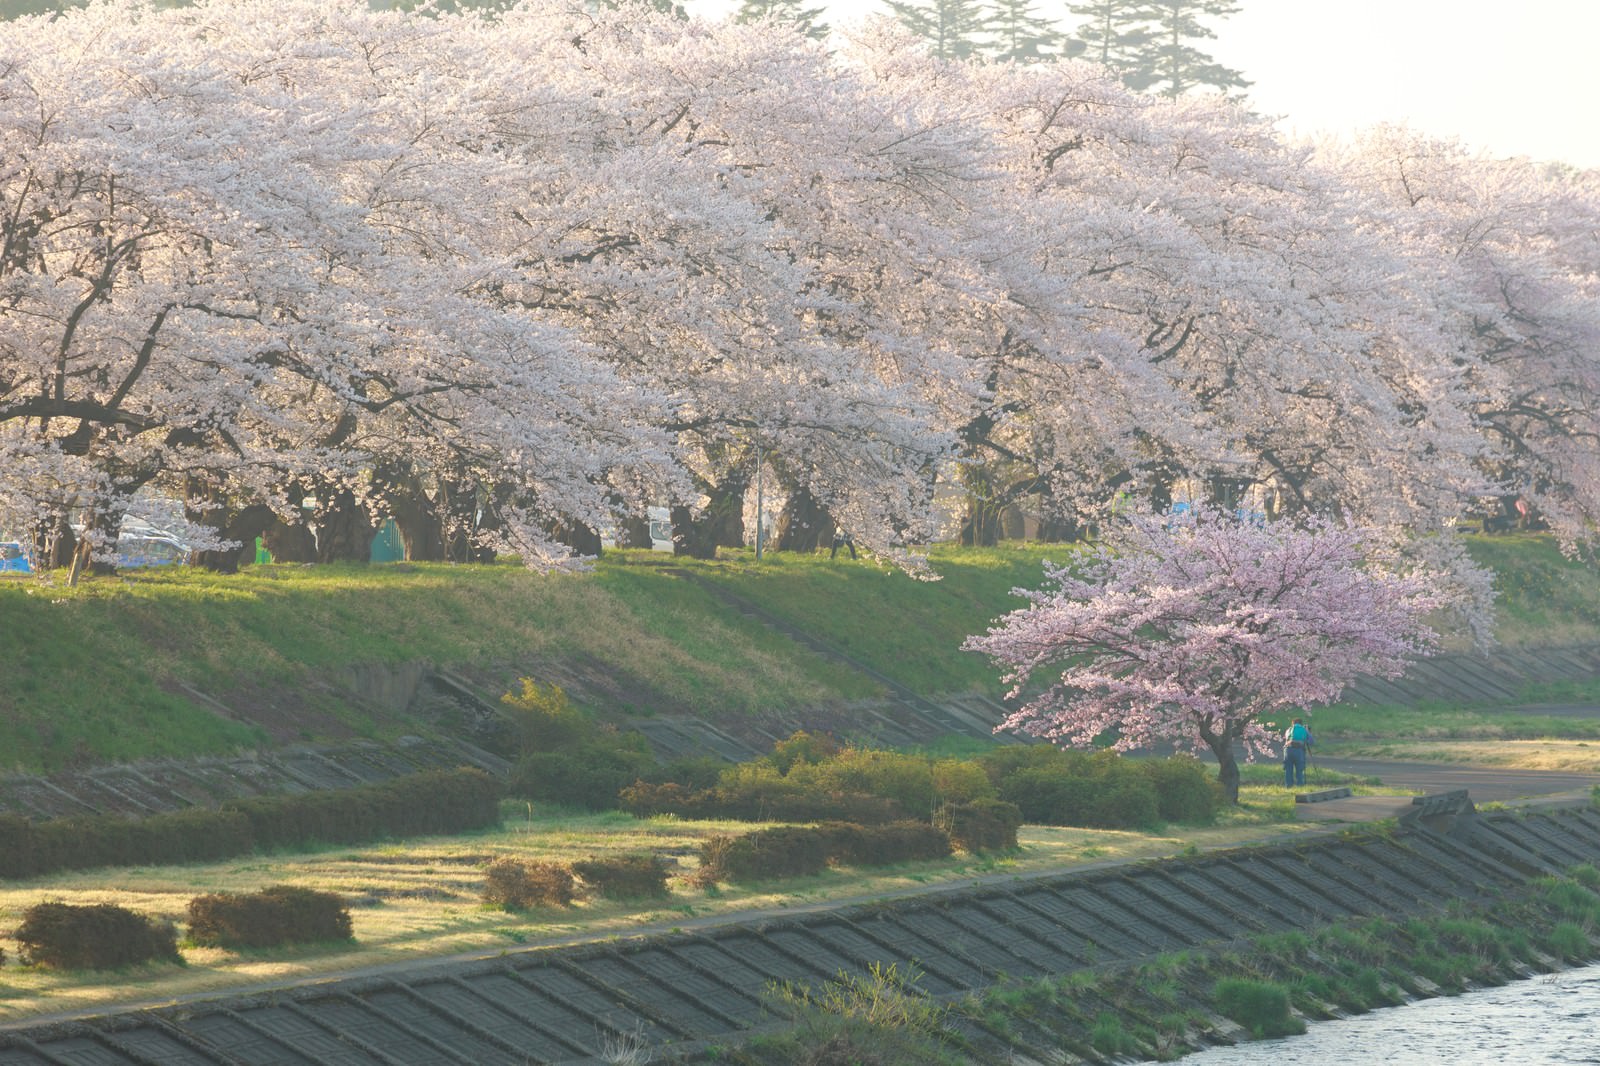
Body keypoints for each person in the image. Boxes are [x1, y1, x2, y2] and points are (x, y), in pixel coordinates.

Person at [1283, 717, 1312, 787]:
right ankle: (1300, 785)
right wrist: (1308, 732)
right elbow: (1311, 741)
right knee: (1299, 769)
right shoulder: (1304, 730)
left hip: (1287, 750)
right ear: (1301, 723)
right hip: (1298, 751)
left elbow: (1286, 739)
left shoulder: (1289, 730)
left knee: (1288, 770)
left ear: (1292, 723)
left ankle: (1288, 786)